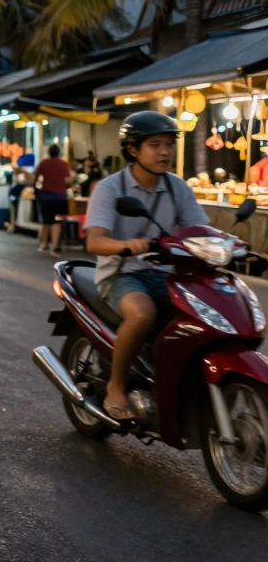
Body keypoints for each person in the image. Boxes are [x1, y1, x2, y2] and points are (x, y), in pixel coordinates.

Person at [84, 111, 208, 421]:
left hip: (167, 274)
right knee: (142, 313)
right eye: (155, 144)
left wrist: (225, 244)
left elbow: (198, 231)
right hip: (122, 274)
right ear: (132, 150)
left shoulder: (178, 187)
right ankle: (116, 385)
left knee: (206, 315)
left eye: (169, 144)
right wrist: (127, 246)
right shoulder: (110, 189)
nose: (165, 152)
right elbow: (95, 242)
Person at [34, 144, 73, 256]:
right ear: (59, 153)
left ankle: (44, 244)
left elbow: (36, 178)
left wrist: (36, 191)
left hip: (45, 196)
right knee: (57, 222)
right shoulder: (64, 164)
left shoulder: (43, 163)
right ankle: (54, 246)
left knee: (46, 221)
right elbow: (69, 180)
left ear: (49, 153)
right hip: (60, 196)